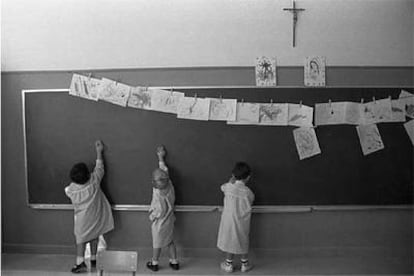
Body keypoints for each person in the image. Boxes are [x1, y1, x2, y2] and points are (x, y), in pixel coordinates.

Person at [65, 140, 114, 273]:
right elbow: (99, 168)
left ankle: (80, 262)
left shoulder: (71, 190)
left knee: (81, 240)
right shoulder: (94, 181)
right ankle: (93, 258)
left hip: (82, 220)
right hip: (96, 216)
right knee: (95, 235)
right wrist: (99, 152)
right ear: (88, 175)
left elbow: (67, 190)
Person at [146, 145, 179, 272]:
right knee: (170, 241)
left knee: (157, 243)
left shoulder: (158, 193)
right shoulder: (169, 186)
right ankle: (174, 261)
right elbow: (164, 171)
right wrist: (160, 157)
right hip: (170, 220)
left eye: (154, 181)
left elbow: (159, 211)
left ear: (154, 184)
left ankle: (154, 263)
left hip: (160, 223)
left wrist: (152, 217)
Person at [217, 162, 255, 273]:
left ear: (233, 175)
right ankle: (245, 264)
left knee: (230, 241)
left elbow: (222, 187)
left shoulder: (228, 187)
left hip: (229, 221)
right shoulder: (248, 192)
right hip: (242, 222)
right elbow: (251, 200)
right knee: (243, 240)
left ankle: (228, 264)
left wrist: (230, 181)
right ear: (248, 177)